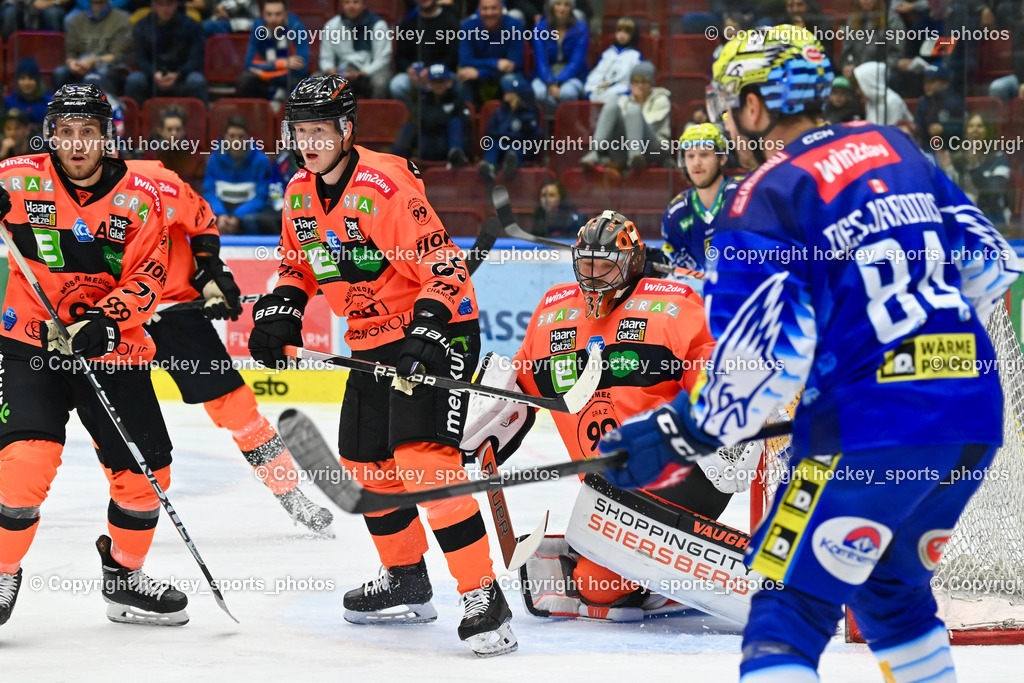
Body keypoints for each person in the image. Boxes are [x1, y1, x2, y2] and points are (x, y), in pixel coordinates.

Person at [599, 25, 1021, 682]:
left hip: (871, 426)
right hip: (970, 414)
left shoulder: (764, 194)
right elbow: (990, 267)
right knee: (892, 594)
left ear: (758, 106)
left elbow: (760, 366)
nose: (725, 117)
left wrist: (677, 430)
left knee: (785, 607)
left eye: (730, 100)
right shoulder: (898, 148)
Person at [248, 74, 517, 657]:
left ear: (346, 129)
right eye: (301, 131)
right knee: (367, 464)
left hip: (437, 330)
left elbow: (443, 266)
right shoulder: (298, 192)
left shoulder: (384, 183)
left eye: (320, 130)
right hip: (372, 341)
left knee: (425, 465)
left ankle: (483, 595)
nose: (310, 141)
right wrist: (281, 310)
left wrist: (425, 332)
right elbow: (298, 266)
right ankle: (407, 579)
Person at [461, 211, 762, 620]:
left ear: (632, 264)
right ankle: (623, 570)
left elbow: (714, 360)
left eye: (606, 266)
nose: (594, 276)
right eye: (586, 264)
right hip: (608, 494)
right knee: (596, 585)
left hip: (682, 473)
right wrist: (485, 404)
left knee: (599, 588)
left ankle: (653, 581)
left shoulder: (671, 304)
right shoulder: (552, 313)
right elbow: (518, 383)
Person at [0, 84, 189, 627]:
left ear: (108, 136)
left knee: (147, 475)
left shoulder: (142, 196)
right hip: (30, 341)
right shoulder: (15, 177)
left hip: (113, 345)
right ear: (50, 134)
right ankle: (3, 567)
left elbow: (151, 274)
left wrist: (106, 321)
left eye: (89, 132)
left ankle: (125, 578)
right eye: (66, 131)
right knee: (24, 465)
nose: (77, 143)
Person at [128, 158, 333, 533]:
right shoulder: (60, 195)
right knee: (105, 419)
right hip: (107, 320)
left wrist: (210, 273)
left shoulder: (160, 181)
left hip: (173, 309)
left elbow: (203, 221)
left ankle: (292, 496)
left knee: (238, 409)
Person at [660, 123, 743, 287]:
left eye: (704, 155)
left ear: (723, 157)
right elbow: (675, 278)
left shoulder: (742, 194)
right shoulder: (676, 214)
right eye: (690, 156)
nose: (696, 163)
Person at [579, 62, 670, 172]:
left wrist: (639, 103)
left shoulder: (661, 99)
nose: (640, 86)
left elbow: (648, 125)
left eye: (644, 82)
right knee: (612, 105)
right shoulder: (625, 100)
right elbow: (619, 126)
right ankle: (596, 152)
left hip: (655, 148)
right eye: (636, 82)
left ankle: (635, 157)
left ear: (651, 83)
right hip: (624, 148)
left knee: (633, 110)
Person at [202, 115, 279, 235]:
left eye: (241, 136)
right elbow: (209, 192)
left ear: (247, 138)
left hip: (250, 214)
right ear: (225, 137)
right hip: (221, 212)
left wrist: (237, 216)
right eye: (232, 136)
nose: (236, 141)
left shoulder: (261, 161)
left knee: (253, 221)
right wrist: (221, 214)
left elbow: (261, 196)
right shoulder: (214, 160)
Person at [125, 0, 209, 105]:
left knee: (197, 81)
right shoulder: (141, 26)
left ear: (176, 4)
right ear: (154, 5)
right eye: (161, 4)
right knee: (134, 80)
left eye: (169, 4)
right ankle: (133, 120)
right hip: (152, 77)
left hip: (182, 77)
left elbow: (196, 59)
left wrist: (178, 74)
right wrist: (154, 73)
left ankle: (202, 120)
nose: (165, 9)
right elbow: (140, 58)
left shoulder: (192, 26)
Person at [390, 64, 471, 167]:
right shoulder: (422, 101)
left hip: (446, 144)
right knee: (409, 127)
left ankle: (456, 154)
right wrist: (442, 117)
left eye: (441, 81)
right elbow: (418, 121)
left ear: (449, 82)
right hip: (427, 145)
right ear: (428, 83)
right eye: (435, 81)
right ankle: (392, 160)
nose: (438, 85)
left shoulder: (457, 100)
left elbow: (465, 127)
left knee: (455, 122)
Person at [54, 0, 134, 93]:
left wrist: (92, 61)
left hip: (110, 68)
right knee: (60, 73)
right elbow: (71, 53)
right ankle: (62, 105)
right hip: (81, 66)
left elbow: (116, 55)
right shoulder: (75, 20)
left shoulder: (122, 19)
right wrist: (72, 63)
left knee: (101, 73)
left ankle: (107, 104)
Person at [389, 0, 461, 102]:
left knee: (457, 83)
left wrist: (433, 72)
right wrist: (409, 70)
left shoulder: (450, 21)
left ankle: (447, 113)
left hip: (442, 74)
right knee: (397, 85)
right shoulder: (408, 23)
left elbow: (453, 57)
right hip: (415, 75)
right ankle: (411, 116)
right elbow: (400, 57)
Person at [456, 0, 525, 106]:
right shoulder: (467, 26)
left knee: (511, 80)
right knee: (463, 78)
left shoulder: (515, 25)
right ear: (479, 10)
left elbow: (514, 65)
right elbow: (465, 61)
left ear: (502, 9)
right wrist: (496, 63)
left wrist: (480, 73)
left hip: (504, 75)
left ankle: (510, 119)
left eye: (494, 8)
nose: (489, 13)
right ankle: (467, 117)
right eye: (485, 9)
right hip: (478, 74)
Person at [237, 0, 310, 101]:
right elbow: (249, 64)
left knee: (299, 83)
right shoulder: (258, 28)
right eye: (269, 14)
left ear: (285, 14)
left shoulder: (297, 28)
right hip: (267, 77)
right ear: (263, 14)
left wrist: (266, 75)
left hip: (287, 78)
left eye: (278, 14)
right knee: (244, 80)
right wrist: (279, 64)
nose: (273, 19)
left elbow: (301, 68)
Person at [319, 0, 393, 99]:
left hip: (369, 73)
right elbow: (325, 58)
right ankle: (329, 114)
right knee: (316, 79)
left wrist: (361, 73)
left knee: (380, 81)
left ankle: (376, 114)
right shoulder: (332, 25)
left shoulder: (378, 25)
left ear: (364, 5)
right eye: (347, 2)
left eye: (356, 2)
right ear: (342, 5)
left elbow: (382, 60)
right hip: (341, 72)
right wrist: (331, 71)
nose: (351, 6)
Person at [477, 74, 542, 182]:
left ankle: (510, 166)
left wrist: (527, 127)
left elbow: (535, 139)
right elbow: (490, 133)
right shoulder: (500, 111)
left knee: (514, 151)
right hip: (501, 144)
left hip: (519, 146)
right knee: (493, 145)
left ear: (518, 95)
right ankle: (489, 168)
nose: (505, 94)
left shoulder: (530, 114)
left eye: (509, 92)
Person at [530, 0, 589, 108]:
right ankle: (552, 122)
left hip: (573, 75)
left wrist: (558, 82)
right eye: (558, 4)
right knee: (540, 94)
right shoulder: (539, 29)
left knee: (567, 93)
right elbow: (541, 60)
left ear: (571, 8)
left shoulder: (581, 29)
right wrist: (550, 83)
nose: (562, 9)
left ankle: (566, 122)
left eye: (566, 5)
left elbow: (576, 62)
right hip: (545, 75)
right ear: (552, 7)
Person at [583, 16, 642, 105]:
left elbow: (635, 80)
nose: (622, 35)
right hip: (601, 89)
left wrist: (627, 93)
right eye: (619, 31)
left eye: (626, 32)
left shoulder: (635, 56)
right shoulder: (608, 53)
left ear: (633, 35)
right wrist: (590, 89)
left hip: (621, 92)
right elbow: (598, 72)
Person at [4, 58, 52, 126]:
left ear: (37, 81)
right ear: (17, 81)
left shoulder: (49, 102)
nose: (26, 83)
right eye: (22, 78)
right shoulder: (9, 102)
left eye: (31, 78)